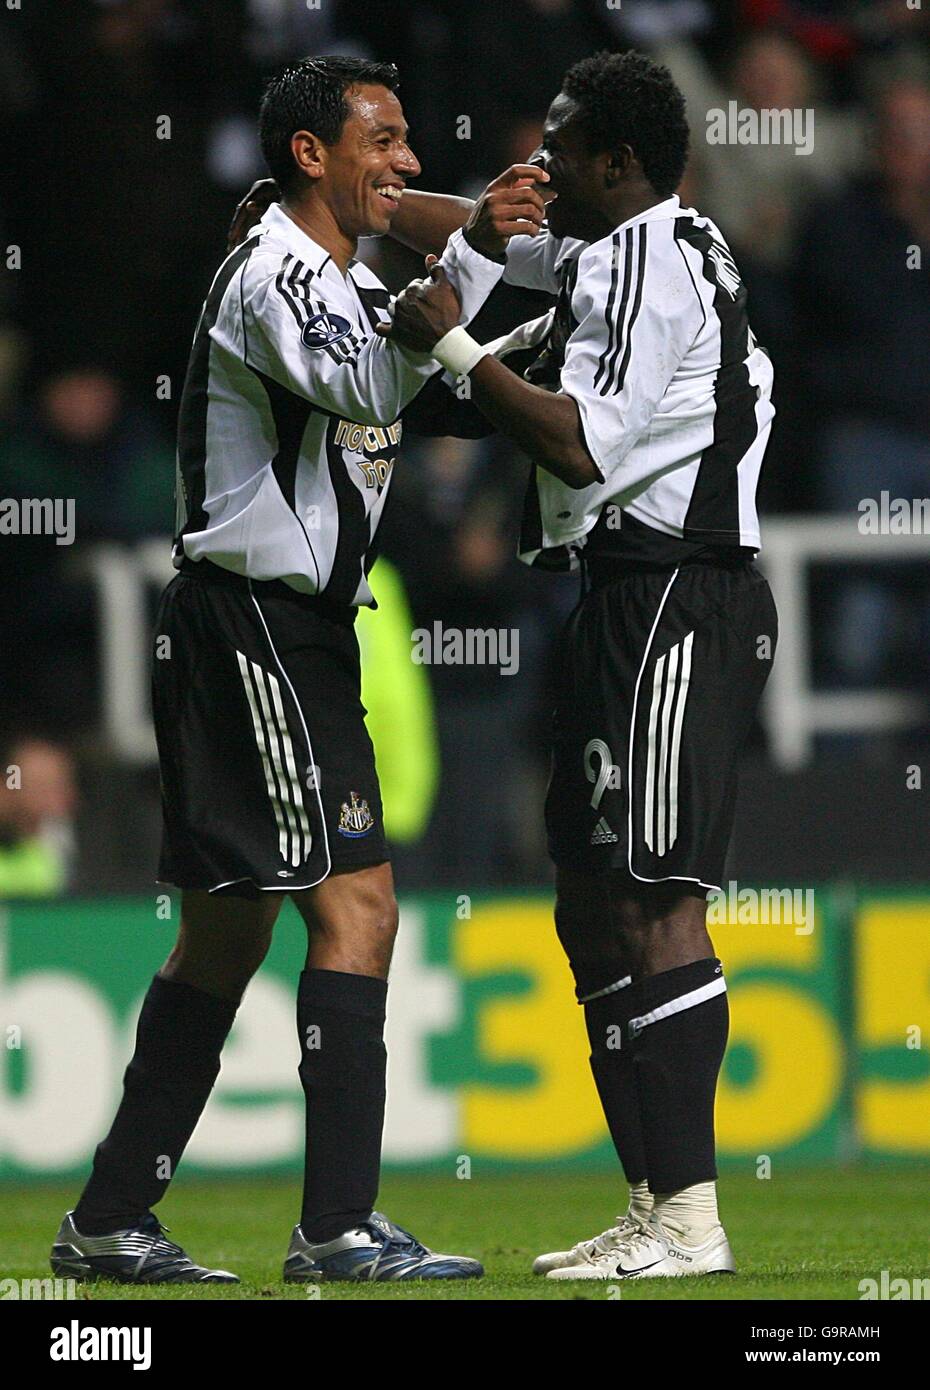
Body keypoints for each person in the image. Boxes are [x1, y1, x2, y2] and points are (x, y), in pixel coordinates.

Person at [50, 54, 546, 1286]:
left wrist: (507, 296)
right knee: (360, 905)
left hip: (277, 629)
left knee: (223, 937)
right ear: (312, 155)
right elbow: (375, 376)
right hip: (259, 625)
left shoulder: (330, 271)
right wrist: (473, 263)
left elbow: (411, 388)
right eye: (384, 139)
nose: (408, 161)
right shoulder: (278, 272)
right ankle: (336, 1227)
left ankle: (111, 1217)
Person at [380, 49, 779, 1279]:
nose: (538, 165)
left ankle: (694, 1219)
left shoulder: (654, 262)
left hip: (678, 592)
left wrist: (456, 350)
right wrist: (389, 206)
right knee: (590, 901)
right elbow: (494, 231)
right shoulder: (624, 247)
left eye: (558, 147)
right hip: (617, 601)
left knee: (657, 896)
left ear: (618, 163)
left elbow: (582, 450)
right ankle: (652, 1198)